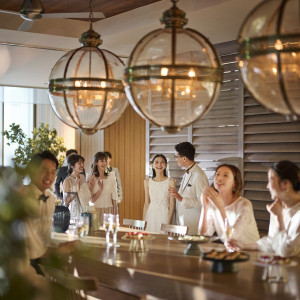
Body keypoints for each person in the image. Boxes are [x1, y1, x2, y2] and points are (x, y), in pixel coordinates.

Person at [228, 161, 300, 257]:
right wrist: (244, 245)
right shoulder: (278, 208)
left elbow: (286, 251)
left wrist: (279, 218)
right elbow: (272, 241)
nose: (267, 186)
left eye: (270, 180)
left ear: (285, 184)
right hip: (278, 268)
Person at [199, 164, 260, 246]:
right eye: (217, 174)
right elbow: (203, 236)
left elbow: (231, 238)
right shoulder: (213, 204)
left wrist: (220, 208)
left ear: (234, 183)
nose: (219, 178)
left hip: (250, 253)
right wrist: (205, 206)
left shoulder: (244, 205)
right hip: (230, 252)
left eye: (225, 175)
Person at [24, 150, 58, 273]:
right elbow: (31, 247)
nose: (49, 176)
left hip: (41, 261)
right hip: (23, 264)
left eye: (53, 172)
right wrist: (61, 249)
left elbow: (45, 236)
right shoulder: (23, 197)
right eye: (44, 170)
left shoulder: (50, 199)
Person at [168, 142, 209, 234]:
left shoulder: (198, 175)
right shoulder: (187, 172)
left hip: (193, 224)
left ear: (184, 158)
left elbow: (203, 203)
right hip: (183, 222)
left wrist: (181, 198)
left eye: (176, 157)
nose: (176, 159)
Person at [143, 154, 176, 233]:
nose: (159, 165)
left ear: (165, 165)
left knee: (163, 242)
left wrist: (169, 222)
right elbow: (146, 203)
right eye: (156, 162)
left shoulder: (171, 181)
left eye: (162, 162)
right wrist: (144, 221)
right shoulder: (147, 182)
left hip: (165, 215)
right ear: (152, 165)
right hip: (151, 215)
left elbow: (172, 204)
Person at [87, 152, 117, 224]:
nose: (104, 163)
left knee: (108, 234)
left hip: (109, 211)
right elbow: (91, 200)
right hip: (95, 211)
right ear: (96, 163)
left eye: (105, 161)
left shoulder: (111, 176)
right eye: (101, 161)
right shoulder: (90, 178)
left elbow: (114, 197)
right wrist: (100, 190)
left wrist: (115, 214)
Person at [63, 154, 91, 222]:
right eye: (79, 163)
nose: (82, 165)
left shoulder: (82, 177)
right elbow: (66, 202)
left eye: (82, 163)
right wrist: (76, 189)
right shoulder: (67, 181)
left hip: (85, 211)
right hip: (74, 214)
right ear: (72, 166)